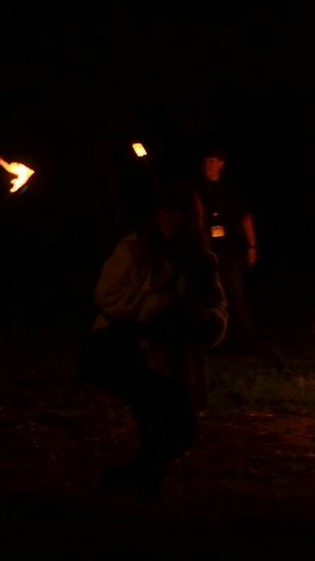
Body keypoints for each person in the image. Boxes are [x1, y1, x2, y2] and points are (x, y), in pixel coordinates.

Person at [82, 199, 227, 500]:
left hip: (176, 354)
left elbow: (215, 308)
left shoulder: (200, 260)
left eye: (178, 211)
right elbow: (107, 296)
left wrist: (200, 320)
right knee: (160, 423)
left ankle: (135, 479)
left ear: (191, 218)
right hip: (125, 348)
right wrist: (157, 303)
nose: (170, 217)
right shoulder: (134, 249)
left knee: (182, 429)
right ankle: (137, 484)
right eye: (164, 210)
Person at [192, 147, 258, 344]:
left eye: (213, 161)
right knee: (210, 297)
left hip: (231, 251)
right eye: (206, 161)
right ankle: (217, 339)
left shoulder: (231, 191)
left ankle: (244, 338)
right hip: (207, 251)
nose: (208, 165)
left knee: (235, 295)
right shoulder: (196, 191)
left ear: (221, 164)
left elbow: (245, 218)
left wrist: (252, 246)